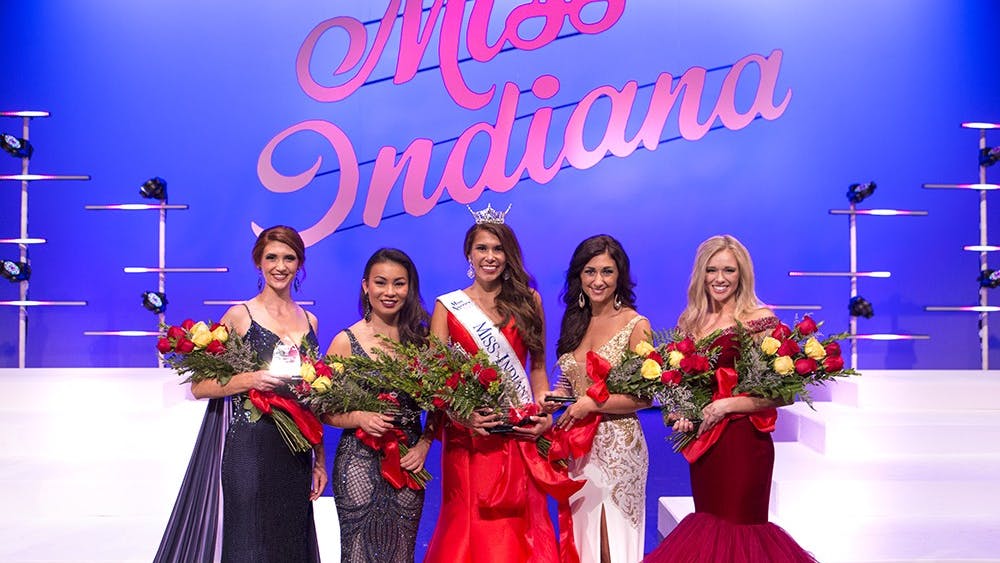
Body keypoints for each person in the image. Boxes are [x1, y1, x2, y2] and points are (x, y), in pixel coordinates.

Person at [154, 225, 326, 563]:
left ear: (300, 264)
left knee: (290, 542)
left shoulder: (310, 321)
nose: (280, 266)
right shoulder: (240, 315)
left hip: (295, 453)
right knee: (249, 543)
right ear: (258, 263)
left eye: (289, 258)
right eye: (272, 257)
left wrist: (319, 460)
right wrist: (251, 379)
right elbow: (199, 386)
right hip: (249, 445)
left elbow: (313, 399)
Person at [644, 235, 817, 563]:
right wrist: (680, 412)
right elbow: (681, 387)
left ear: (742, 275)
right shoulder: (690, 321)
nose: (719, 278)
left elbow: (783, 392)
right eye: (712, 270)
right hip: (707, 446)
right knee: (710, 536)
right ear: (701, 274)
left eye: (728, 270)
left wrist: (726, 405)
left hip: (744, 443)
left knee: (741, 534)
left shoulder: (758, 318)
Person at [423, 205, 571, 563]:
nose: (490, 257)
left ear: (509, 254)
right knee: (467, 522)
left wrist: (542, 413)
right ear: (468, 254)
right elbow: (434, 379)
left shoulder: (529, 302)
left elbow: (537, 369)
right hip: (469, 437)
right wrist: (464, 415)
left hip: (516, 431)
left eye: (498, 249)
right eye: (482, 249)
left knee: (516, 525)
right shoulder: (448, 307)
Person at [543, 235, 651, 563]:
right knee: (583, 542)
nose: (598, 280)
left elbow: (645, 396)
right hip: (578, 450)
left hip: (620, 449)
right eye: (590, 272)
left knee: (612, 547)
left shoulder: (636, 325)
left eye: (607, 271)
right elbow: (568, 379)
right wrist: (554, 397)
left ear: (620, 276)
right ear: (579, 276)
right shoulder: (575, 321)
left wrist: (594, 403)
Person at [322, 248, 432, 563]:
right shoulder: (346, 341)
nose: (389, 292)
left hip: (408, 462)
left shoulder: (421, 341)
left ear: (410, 288)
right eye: (381, 283)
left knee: (401, 553)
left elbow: (441, 404)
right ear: (365, 285)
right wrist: (358, 416)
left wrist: (424, 445)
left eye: (399, 284)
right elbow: (322, 408)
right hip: (358, 463)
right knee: (357, 553)